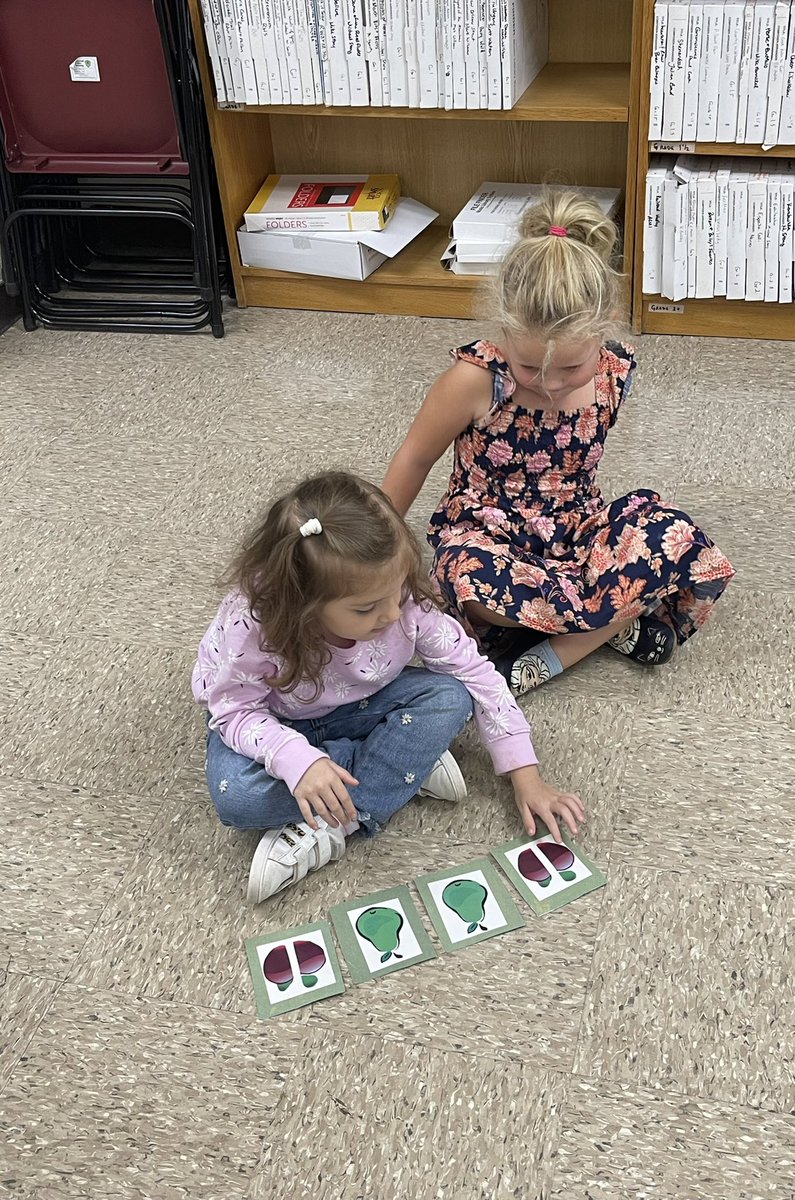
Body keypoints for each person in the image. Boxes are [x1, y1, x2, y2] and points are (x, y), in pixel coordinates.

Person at [383, 192, 735, 693]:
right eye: (530, 366)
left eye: (571, 366)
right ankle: (609, 625)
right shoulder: (474, 379)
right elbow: (415, 458)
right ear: (502, 330)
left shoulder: (615, 372)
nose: (549, 383)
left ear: (606, 326)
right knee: (470, 583)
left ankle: (533, 662)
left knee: (676, 537)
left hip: (579, 529)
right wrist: (367, 550)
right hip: (489, 533)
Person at [192, 471, 583, 904]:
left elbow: (476, 674)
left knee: (449, 698)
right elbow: (231, 712)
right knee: (238, 799)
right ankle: (400, 766)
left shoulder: (403, 605)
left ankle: (349, 806)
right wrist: (296, 761)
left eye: (396, 592)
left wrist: (526, 777)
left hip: (361, 704)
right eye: (366, 608)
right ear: (303, 602)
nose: (393, 613)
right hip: (275, 720)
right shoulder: (253, 627)